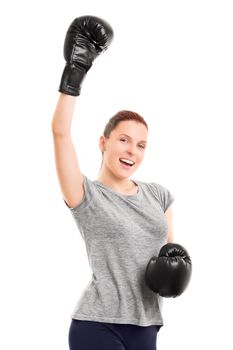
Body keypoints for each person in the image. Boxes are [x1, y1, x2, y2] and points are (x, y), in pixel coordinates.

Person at [51, 15, 175, 350]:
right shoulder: (86, 195)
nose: (132, 151)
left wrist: (176, 272)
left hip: (147, 324)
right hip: (97, 325)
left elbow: (169, 253)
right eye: (123, 140)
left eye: (141, 145)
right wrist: (76, 69)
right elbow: (60, 134)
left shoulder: (159, 195)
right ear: (104, 143)